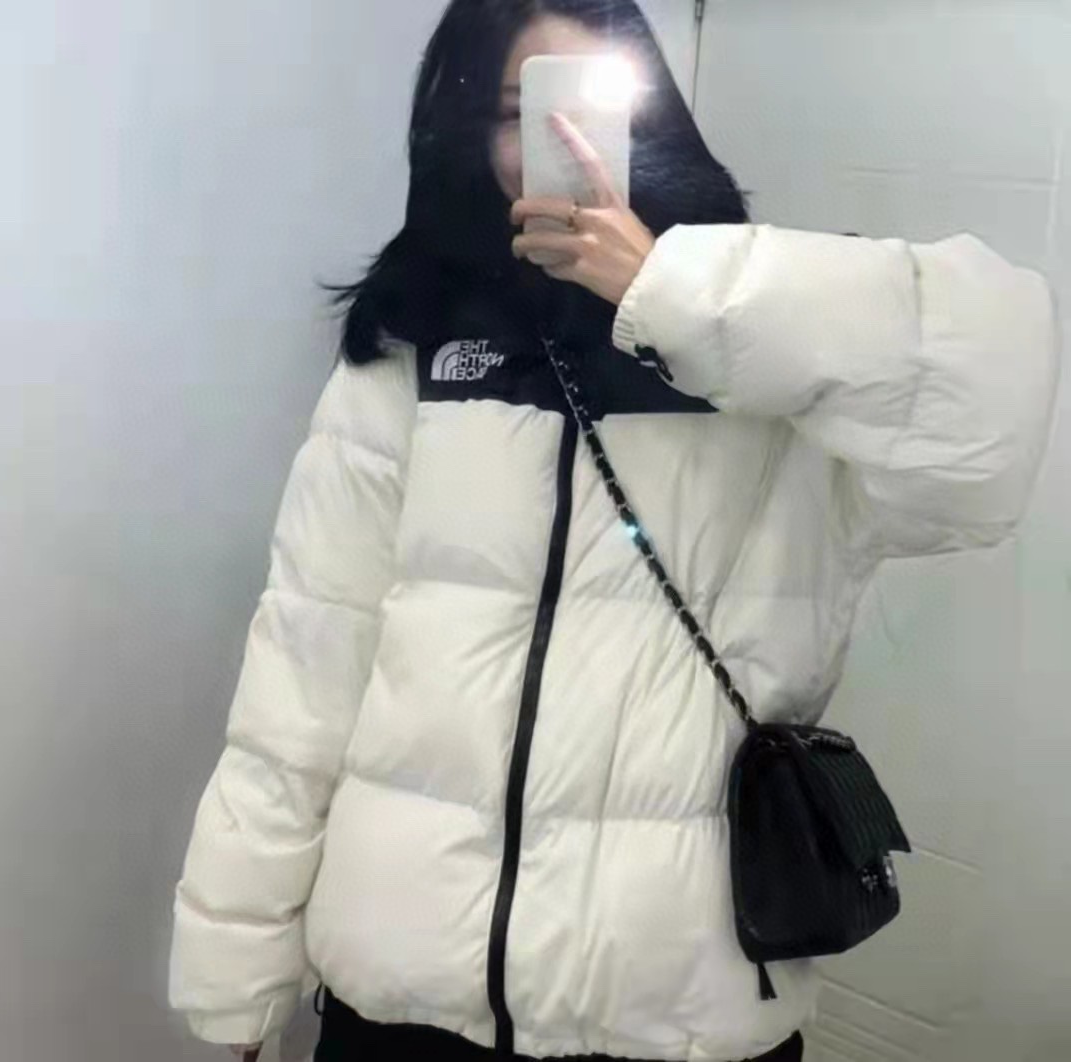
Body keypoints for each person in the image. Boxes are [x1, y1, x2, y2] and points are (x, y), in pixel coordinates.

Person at [167, 1, 1059, 1060]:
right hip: (398, 998)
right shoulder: (416, 348)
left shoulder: (771, 349)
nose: (561, 142)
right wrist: (238, 971)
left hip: (673, 1016)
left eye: (598, 104)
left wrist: (672, 291)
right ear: (466, 131)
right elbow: (305, 673)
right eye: (520, 111)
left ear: (658, 118)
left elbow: (992, 401)